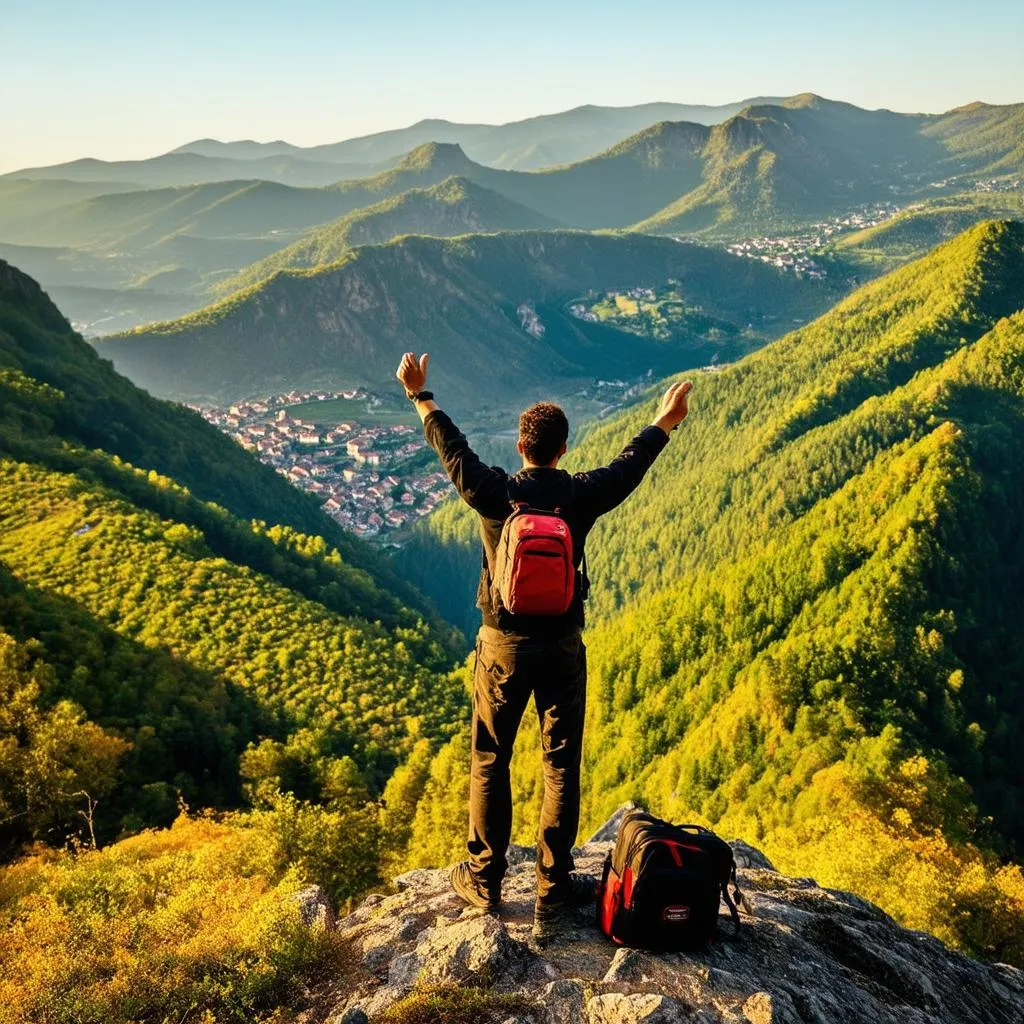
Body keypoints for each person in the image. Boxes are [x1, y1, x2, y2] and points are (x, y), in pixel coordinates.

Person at [395, 351, 693, 941]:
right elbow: (630, 466)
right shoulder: (580, 496)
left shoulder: (495, 492)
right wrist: (665, 420)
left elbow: (451, 450)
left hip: (501, 645)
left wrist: (420, 395)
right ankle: (551, 895)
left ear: (520, 446)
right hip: (561, 646)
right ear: (562, 449)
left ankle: (485, 881)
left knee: (489, 760)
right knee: (559, 766)